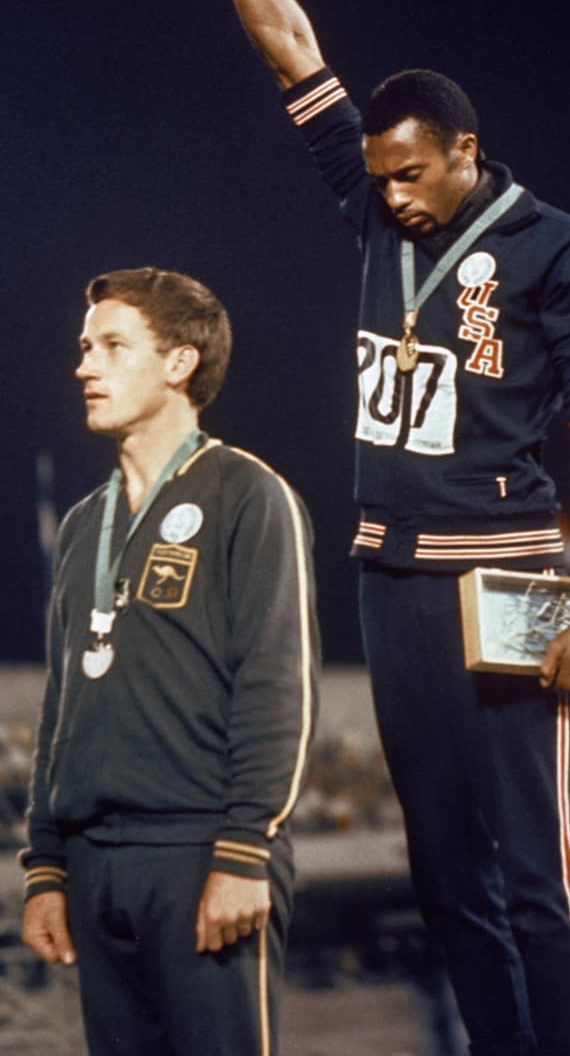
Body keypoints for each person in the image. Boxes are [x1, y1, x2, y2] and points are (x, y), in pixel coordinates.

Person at [164, 0, 570, 1056]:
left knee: (538, 869)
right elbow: (289, 46)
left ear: (468, 151)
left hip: (508, 569)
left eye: (413, 173)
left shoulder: (563, 249)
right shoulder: (374, 209)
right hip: (390, 572)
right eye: (377, 175)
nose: (389, 193)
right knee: (445, 876)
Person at [21, 267, 320, 1056]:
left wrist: (245, 848)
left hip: (201, 855)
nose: (85, 367)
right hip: (92, 866)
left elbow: (277, 687)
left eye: (113, 347)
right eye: (85, 348)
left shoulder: (250, 496)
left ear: (179, 364)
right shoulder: (86, 523)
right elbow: (62, 703)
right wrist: (47, 864)